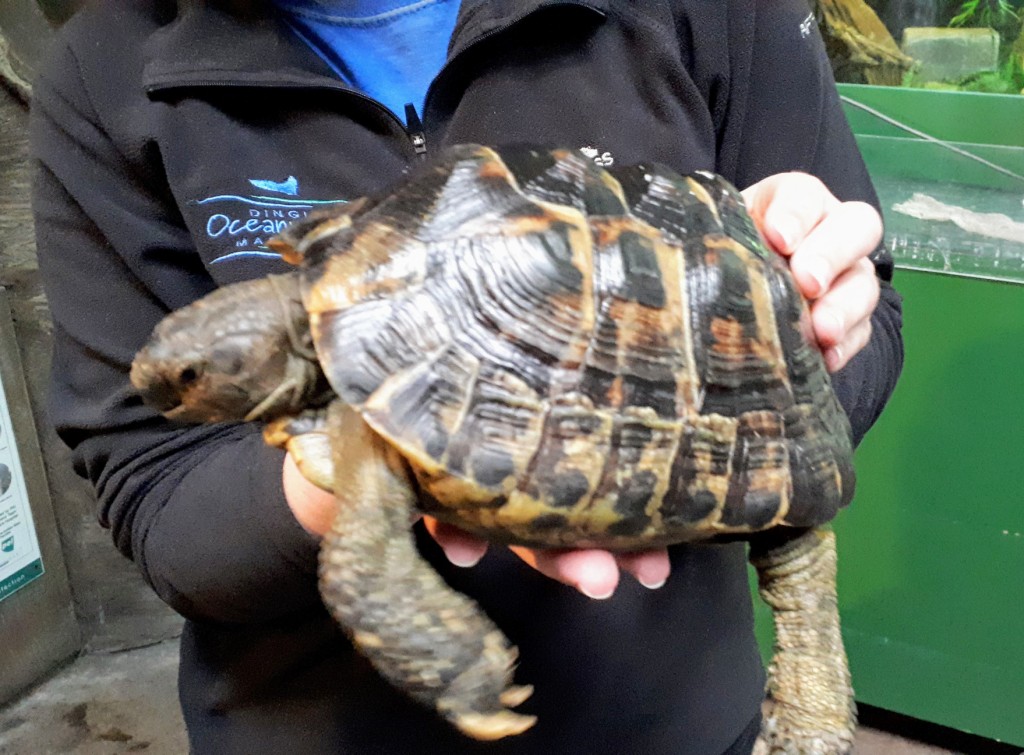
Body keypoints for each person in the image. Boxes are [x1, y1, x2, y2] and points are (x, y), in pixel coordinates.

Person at [30, 1, 903, 753]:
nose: (178, 390)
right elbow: (151, 488)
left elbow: (866, 342)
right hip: (307, 732)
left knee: (791, 538)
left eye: (191, 379)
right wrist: (353, 467)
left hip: (677, 717)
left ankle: (813, 652)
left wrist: (796, 294)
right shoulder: (106, 72)